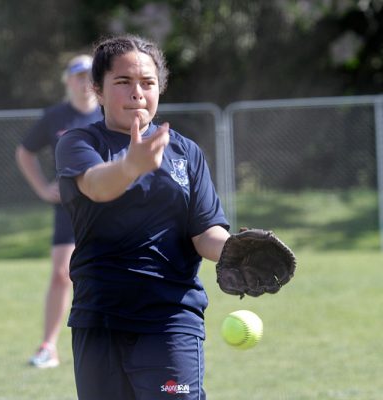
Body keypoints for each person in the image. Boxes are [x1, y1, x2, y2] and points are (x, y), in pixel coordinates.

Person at [55, 35, 231, 399]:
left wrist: (237, 251)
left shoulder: (185, 152)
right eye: (123, 82)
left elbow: (205, 232)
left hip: (170, 320)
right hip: (99, 318)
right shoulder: (79, 143)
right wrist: (131, 166)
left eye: (148, 83)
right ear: (98, 90)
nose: (137, 93)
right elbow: (97, 186)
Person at [15, 54, 103, 369]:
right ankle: (48, 346)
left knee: (112, 273)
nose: (84, 81)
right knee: (61, 274)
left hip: (108, 208)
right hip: (70, 208)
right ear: (68, 81)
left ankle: (114, 344)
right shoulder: (56, 117)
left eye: (90, 75)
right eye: (78, 75)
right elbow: (25, 151)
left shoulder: (109, 114)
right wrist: (41, 188)